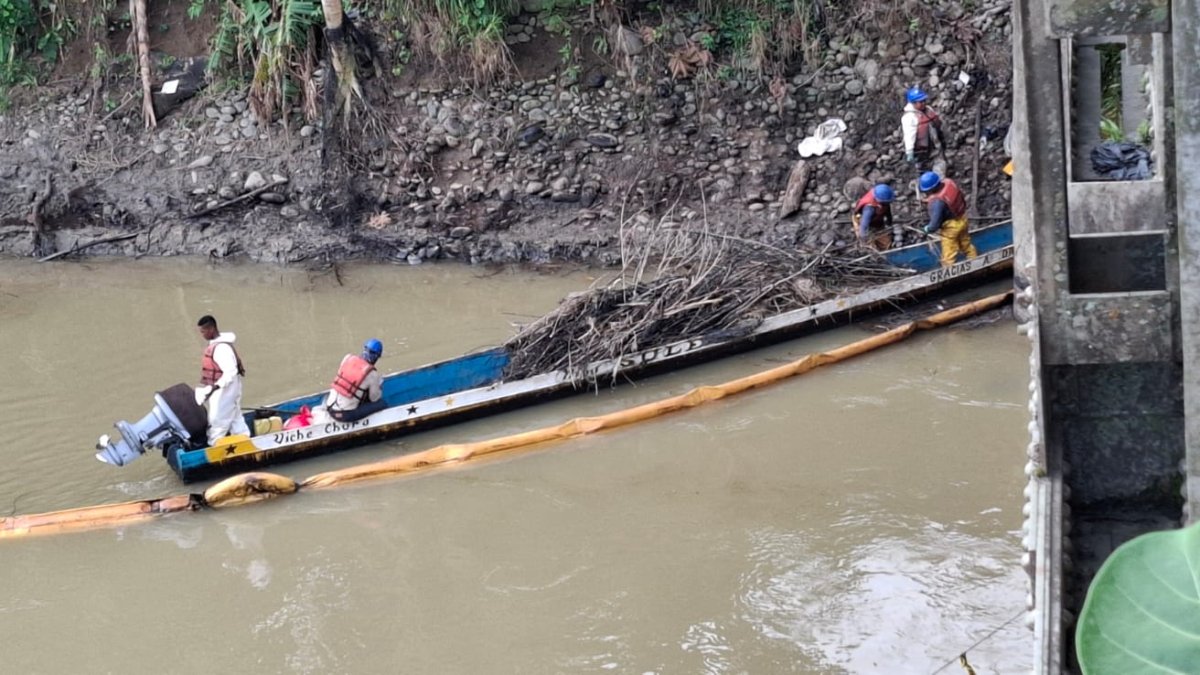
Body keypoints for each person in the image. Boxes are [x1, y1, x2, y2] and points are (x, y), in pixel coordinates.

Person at [195, 315, 250, 445]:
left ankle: (214, 446)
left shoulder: (221, 349)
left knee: (218, 420)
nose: (202, 335)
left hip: (226, 390)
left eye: (203, 331)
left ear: (212, 329)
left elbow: (230, 372)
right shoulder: (217, 345)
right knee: (235, 417)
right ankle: (244, 439)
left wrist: (215, 387)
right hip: (227, 389)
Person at [919, 171, 977, 266]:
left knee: (949, 251)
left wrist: (927, 229)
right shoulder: (949, 183)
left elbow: (934, 225)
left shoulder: (937, 202)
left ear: (930, 189)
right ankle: (974, 259)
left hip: (951, 227)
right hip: (962, 218)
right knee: (965, 243)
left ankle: (949, 270)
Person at [325, 339, 387, 422]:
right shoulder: (372, 374)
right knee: (382, 404)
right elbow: (374, 399)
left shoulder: (347, 358)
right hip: (344, 415)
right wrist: (379, 387)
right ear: (377, 356)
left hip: (329, 407)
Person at [901, 86, 945, 170]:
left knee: (940, 164)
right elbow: (909, 135)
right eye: (920, 102)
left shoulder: (928, 110)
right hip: (922, 151)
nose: (924, 103)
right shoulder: (909, 117)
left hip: (935, 145)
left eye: (924, 101)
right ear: (913, 103)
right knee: (924, 170)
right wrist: (909, 151)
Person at [852, 183, 897, 250]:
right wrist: (864, 240)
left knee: (886, 244)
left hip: (876, 219)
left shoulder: (884, 203)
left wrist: (889, 225)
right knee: (869, 246)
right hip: (862, 220)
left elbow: (888, 213)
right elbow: (863, 227)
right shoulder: (869, 208)